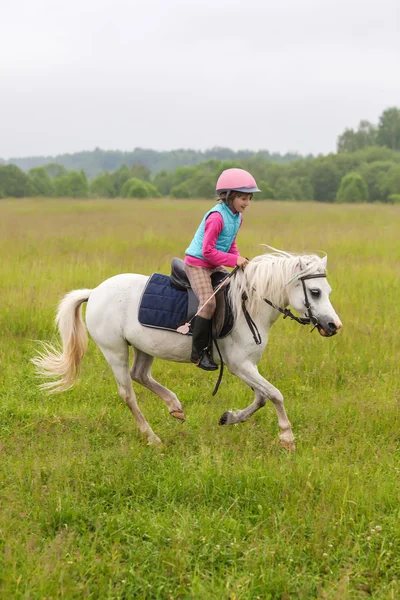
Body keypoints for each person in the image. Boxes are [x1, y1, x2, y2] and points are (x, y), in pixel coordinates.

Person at [184, 168, 261, 371]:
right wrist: (233, 260)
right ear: (229, 196)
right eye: (243, 198)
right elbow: (207, 251)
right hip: (198, 264)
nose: (247, 203)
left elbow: (230, 245)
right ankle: (198, 353)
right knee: (208, 304)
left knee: (236, 292)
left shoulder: (237, 217)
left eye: (249, 198)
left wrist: (238, 260)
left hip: (214, 263)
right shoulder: (217, 217)